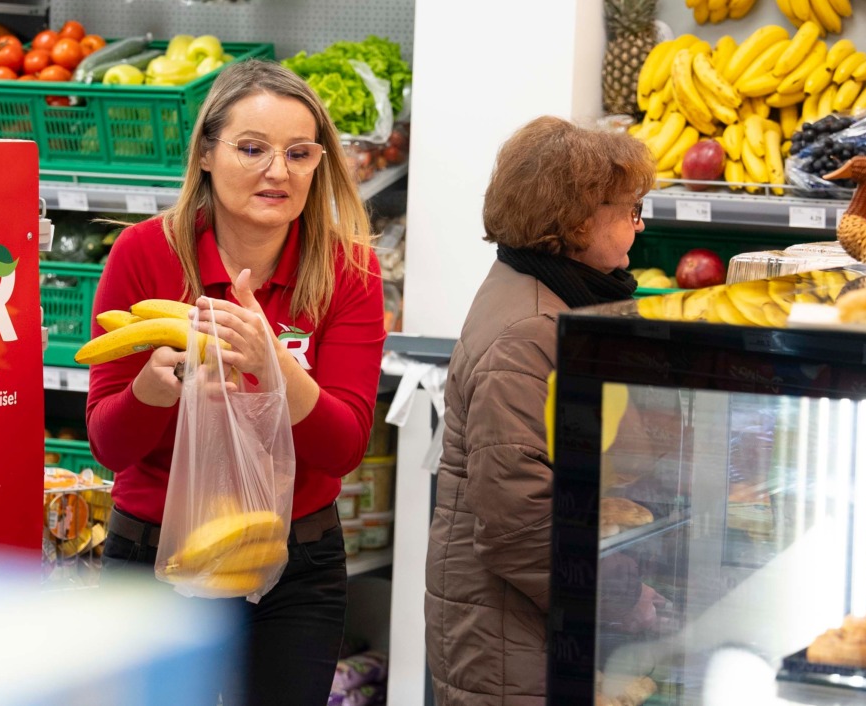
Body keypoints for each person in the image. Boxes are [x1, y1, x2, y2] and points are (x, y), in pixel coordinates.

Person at [85, 59, 386, 705]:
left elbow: (344, 449)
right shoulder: (145, 253)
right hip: (155, 557)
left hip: (295, 566)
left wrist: (275, 365)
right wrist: (153, 393)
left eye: (299, 153)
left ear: (320, 164)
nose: (278, 171)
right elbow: (108, 447)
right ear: (204, 154)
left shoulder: (348, 269)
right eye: (252, 149)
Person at [424, 116, 664, 705]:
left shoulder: (558, 296)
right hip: (510, 638)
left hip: (528, 622)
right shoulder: (530, 328)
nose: (639, 224)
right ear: (579, 219)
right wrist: (617, 596)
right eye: (631, 209)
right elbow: (517, 518)